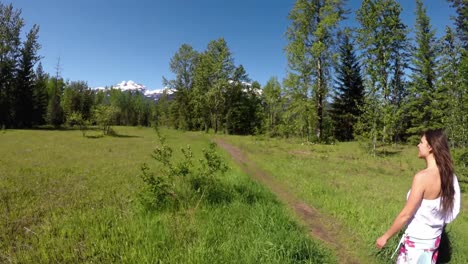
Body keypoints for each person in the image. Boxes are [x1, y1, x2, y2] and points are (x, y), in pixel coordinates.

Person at [375, 129, 461, 263]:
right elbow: (452, 210)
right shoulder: (449, 176)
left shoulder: (422, 178)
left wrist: (385, 237)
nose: (418, 145)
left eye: (421, 142)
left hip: (417, 241)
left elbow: (406, 214)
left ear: (430, 147)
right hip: (434, 240)